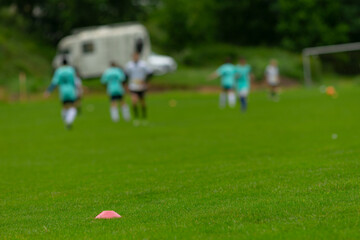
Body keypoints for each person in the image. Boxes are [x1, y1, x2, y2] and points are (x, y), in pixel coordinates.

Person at [44, 58, 77, 129]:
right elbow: (75, 81)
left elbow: (54, 82)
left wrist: (48, 91)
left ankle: (65, 119)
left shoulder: (58, 71)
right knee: (72, 106)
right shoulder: (71, 70)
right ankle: (69, 120)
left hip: (63, 91)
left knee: (64, 106)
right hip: (71, 90)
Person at [125, 52, 153, 126]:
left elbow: (150, 73)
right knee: (134, 102)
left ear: (138, 56)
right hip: (133, 86)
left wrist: (145, 81)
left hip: (141, 86)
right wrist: (126, 85)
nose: (135, 57)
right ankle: (136, 118)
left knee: (142, 102)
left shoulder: (143, 65)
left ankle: (144, 118)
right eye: (134, 56)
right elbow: (126, 75)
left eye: (136, 56)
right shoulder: (129, 65)